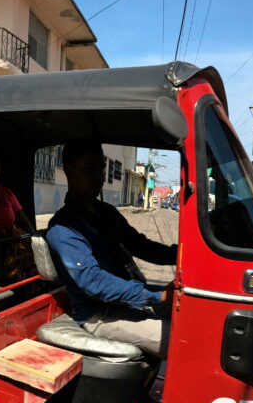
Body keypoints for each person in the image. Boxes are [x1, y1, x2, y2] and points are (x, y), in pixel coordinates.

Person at [46, 139, 177, 358]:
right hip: (100, 314)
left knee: (197, 319)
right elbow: (94, 282)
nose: (98, 177)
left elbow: (141, 246)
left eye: (101, 169)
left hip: (131, 298)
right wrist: (159, 295)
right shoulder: (63, 227)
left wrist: (182, 255)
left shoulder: (106, 212)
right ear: (68, 170)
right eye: (88, 169)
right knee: (182, 341)